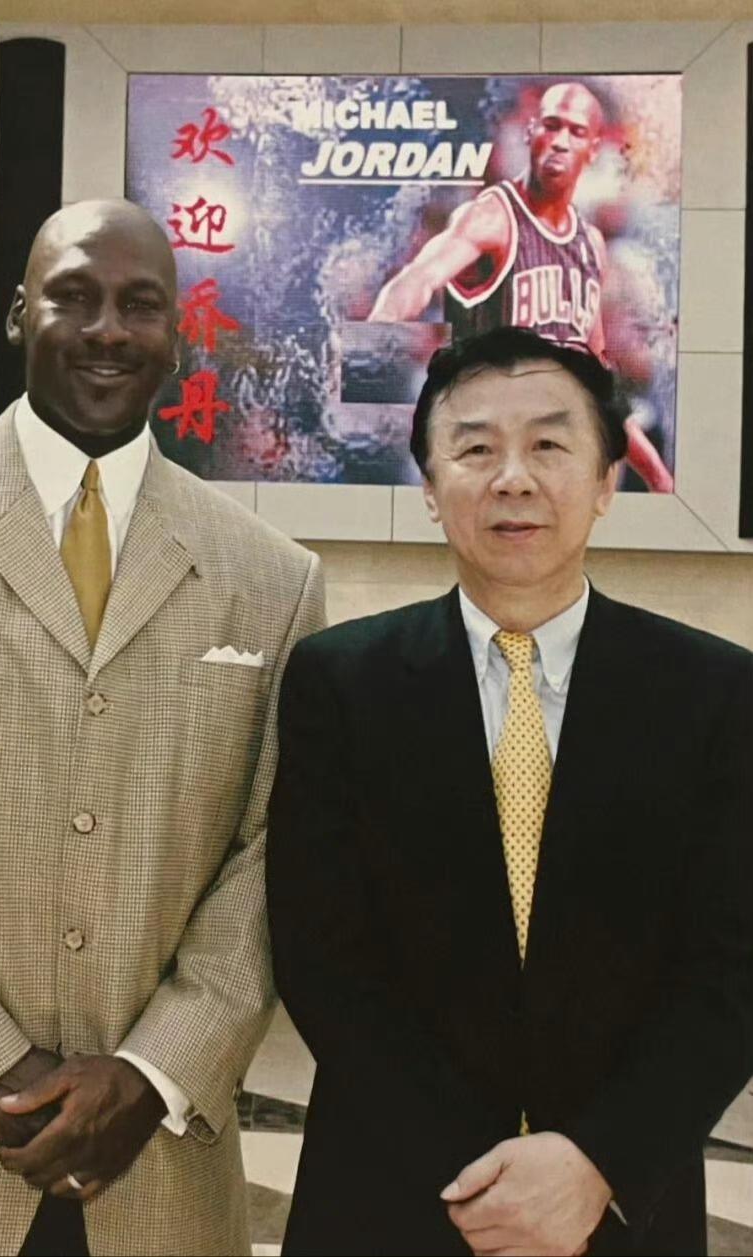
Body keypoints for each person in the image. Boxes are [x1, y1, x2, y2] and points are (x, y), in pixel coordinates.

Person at [0, 198, 325, 1257]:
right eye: (73, 297)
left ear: (177, 334)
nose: (107, 331)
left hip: (162, 1178)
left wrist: (153, 1071)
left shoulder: (272, 580)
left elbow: (277, 856)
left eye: (140, 305)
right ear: (18, 314)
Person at [267, 327, 752, 1256]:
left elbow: (730, 969)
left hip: (622, 1207)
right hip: (392, 1199)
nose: (514, 479)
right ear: (429, 484)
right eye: (477, 448)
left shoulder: (715, 694)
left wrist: (597, 1163)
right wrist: (484, 1180)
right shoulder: (341, 683)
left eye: (550, 445)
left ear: (607, 481)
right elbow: (322, 959)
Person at [368, 82, 673, 493]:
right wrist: (378, 357)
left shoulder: (593, 246)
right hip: (476, 447)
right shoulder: (487, 217)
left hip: (550, 455)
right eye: (550, 124)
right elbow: (411, 284)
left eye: (575, 131)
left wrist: (658, 478)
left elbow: (598, 374)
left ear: (594, 149)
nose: (560, 141)